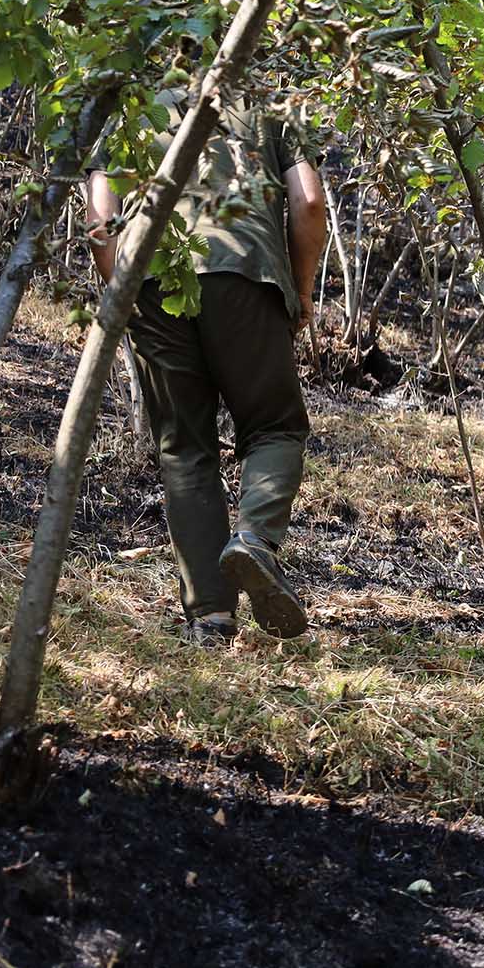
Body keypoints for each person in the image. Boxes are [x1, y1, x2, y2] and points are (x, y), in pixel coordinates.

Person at [86, 99, 328, 645]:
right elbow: (309, 202)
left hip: (154, 283)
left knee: (184, 447)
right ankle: (255, 540)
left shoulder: (131, 103)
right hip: (246, 273)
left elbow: (100, 223)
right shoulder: (271, 102)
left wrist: (124, 295)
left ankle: (211, 621)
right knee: (274, 427)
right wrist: (301, 289)